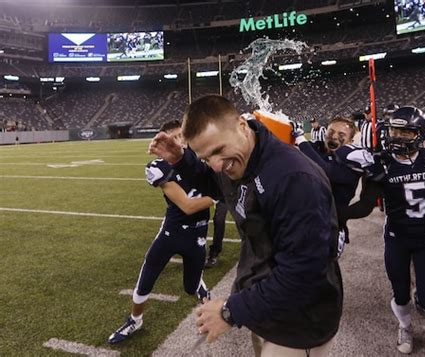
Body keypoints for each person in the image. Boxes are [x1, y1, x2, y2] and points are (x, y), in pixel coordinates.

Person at [148, 95, 343, 356]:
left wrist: (230, 311)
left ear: (242, 125)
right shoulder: (241, 158)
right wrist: (181, 160)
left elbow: (304, 273)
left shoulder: (294, 178)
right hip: (266, 305)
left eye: (218, 151)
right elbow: (216, 182)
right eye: (206, 158)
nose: (216, 165)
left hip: (299, 321)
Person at [337, 107, 425, 354]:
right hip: (397, 238)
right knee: (400, 294)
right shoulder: (382, 163)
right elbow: (363, 202)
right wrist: (336, 214)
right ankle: (404, 325)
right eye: (394, 130)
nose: (398, 136)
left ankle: (421, 294)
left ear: (420, 135)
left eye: (405, 131)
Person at [108, 119, 214, 344]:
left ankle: (202, 290)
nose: (177, 141)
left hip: (198, 234)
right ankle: (135, 320)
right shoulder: (158, 167)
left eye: (180, 136)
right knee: (146, 277)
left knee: (190, 286)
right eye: (172, 137)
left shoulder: (201, 160)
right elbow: (186, 206)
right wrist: (219, 195)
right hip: (172, 233)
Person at [292, 116, 371, 249]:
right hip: (304, 220)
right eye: (331, 132)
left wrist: (300, 138)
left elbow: (326, 171)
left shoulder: (352, 160)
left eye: (341, 134)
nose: (334, 136)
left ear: (351, 141)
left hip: (330, 226)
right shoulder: (317, 148)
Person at [205, 200, 228, 268]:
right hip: (208, 192)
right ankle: (197, 247)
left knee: (219, 220)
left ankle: (214, 252)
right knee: (201, 216)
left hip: (222, 194)